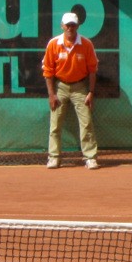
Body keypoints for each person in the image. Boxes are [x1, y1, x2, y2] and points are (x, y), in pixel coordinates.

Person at [43, 12, 100, 169]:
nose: (70, 28)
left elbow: (93, 70)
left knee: (86, 122)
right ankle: (54, 157)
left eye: (73, 25)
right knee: (55, 124)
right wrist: (51, 94)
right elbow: (48, 71)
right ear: (62, 26)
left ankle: (90, 157)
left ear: (78, 26)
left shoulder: (86, 44)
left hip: (80, 87)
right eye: (67, 25)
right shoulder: (53, 44)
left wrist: (91, 92)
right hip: (60, 87)